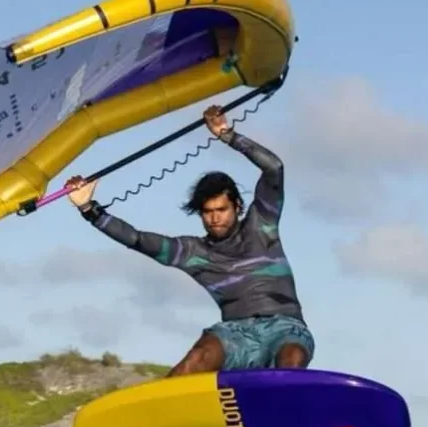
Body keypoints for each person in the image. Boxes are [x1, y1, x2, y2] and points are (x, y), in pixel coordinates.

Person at [64, 105, 314, 377]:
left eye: (221, 210)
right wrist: (88, 209)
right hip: (236, 335)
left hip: (285, 328)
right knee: (197, 358)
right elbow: (137, 239)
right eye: (207, 212)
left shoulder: (261, 225)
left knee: (291, 358)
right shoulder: (193, 252)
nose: (215, 218)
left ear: (237, 206)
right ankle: (160, 404)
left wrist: (227, 135)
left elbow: (274, 168)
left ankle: (291, 399)